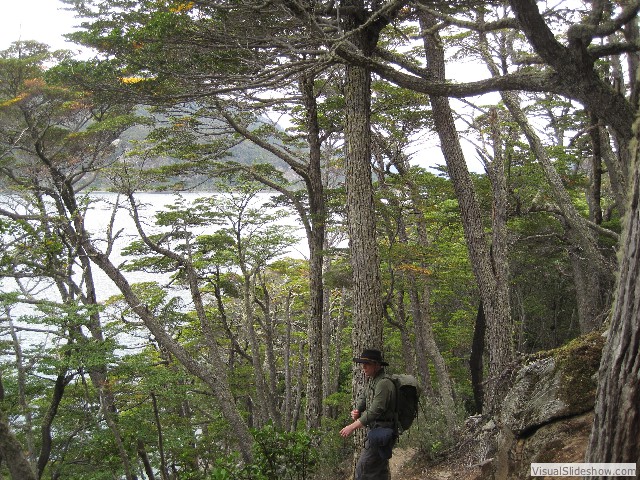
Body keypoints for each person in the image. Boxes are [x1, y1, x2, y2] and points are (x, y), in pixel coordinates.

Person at [340, 349, 397, 480]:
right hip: (377, 431)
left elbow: (375, 410)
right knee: (379, 471)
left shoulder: (384, 383)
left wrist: (352, 427)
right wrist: (358, 410)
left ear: (377, 365)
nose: (363, 367)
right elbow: (364, 397)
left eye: (367, 364)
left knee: (363, 469)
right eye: (362, 364)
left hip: (382, 432)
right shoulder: (373, 380)